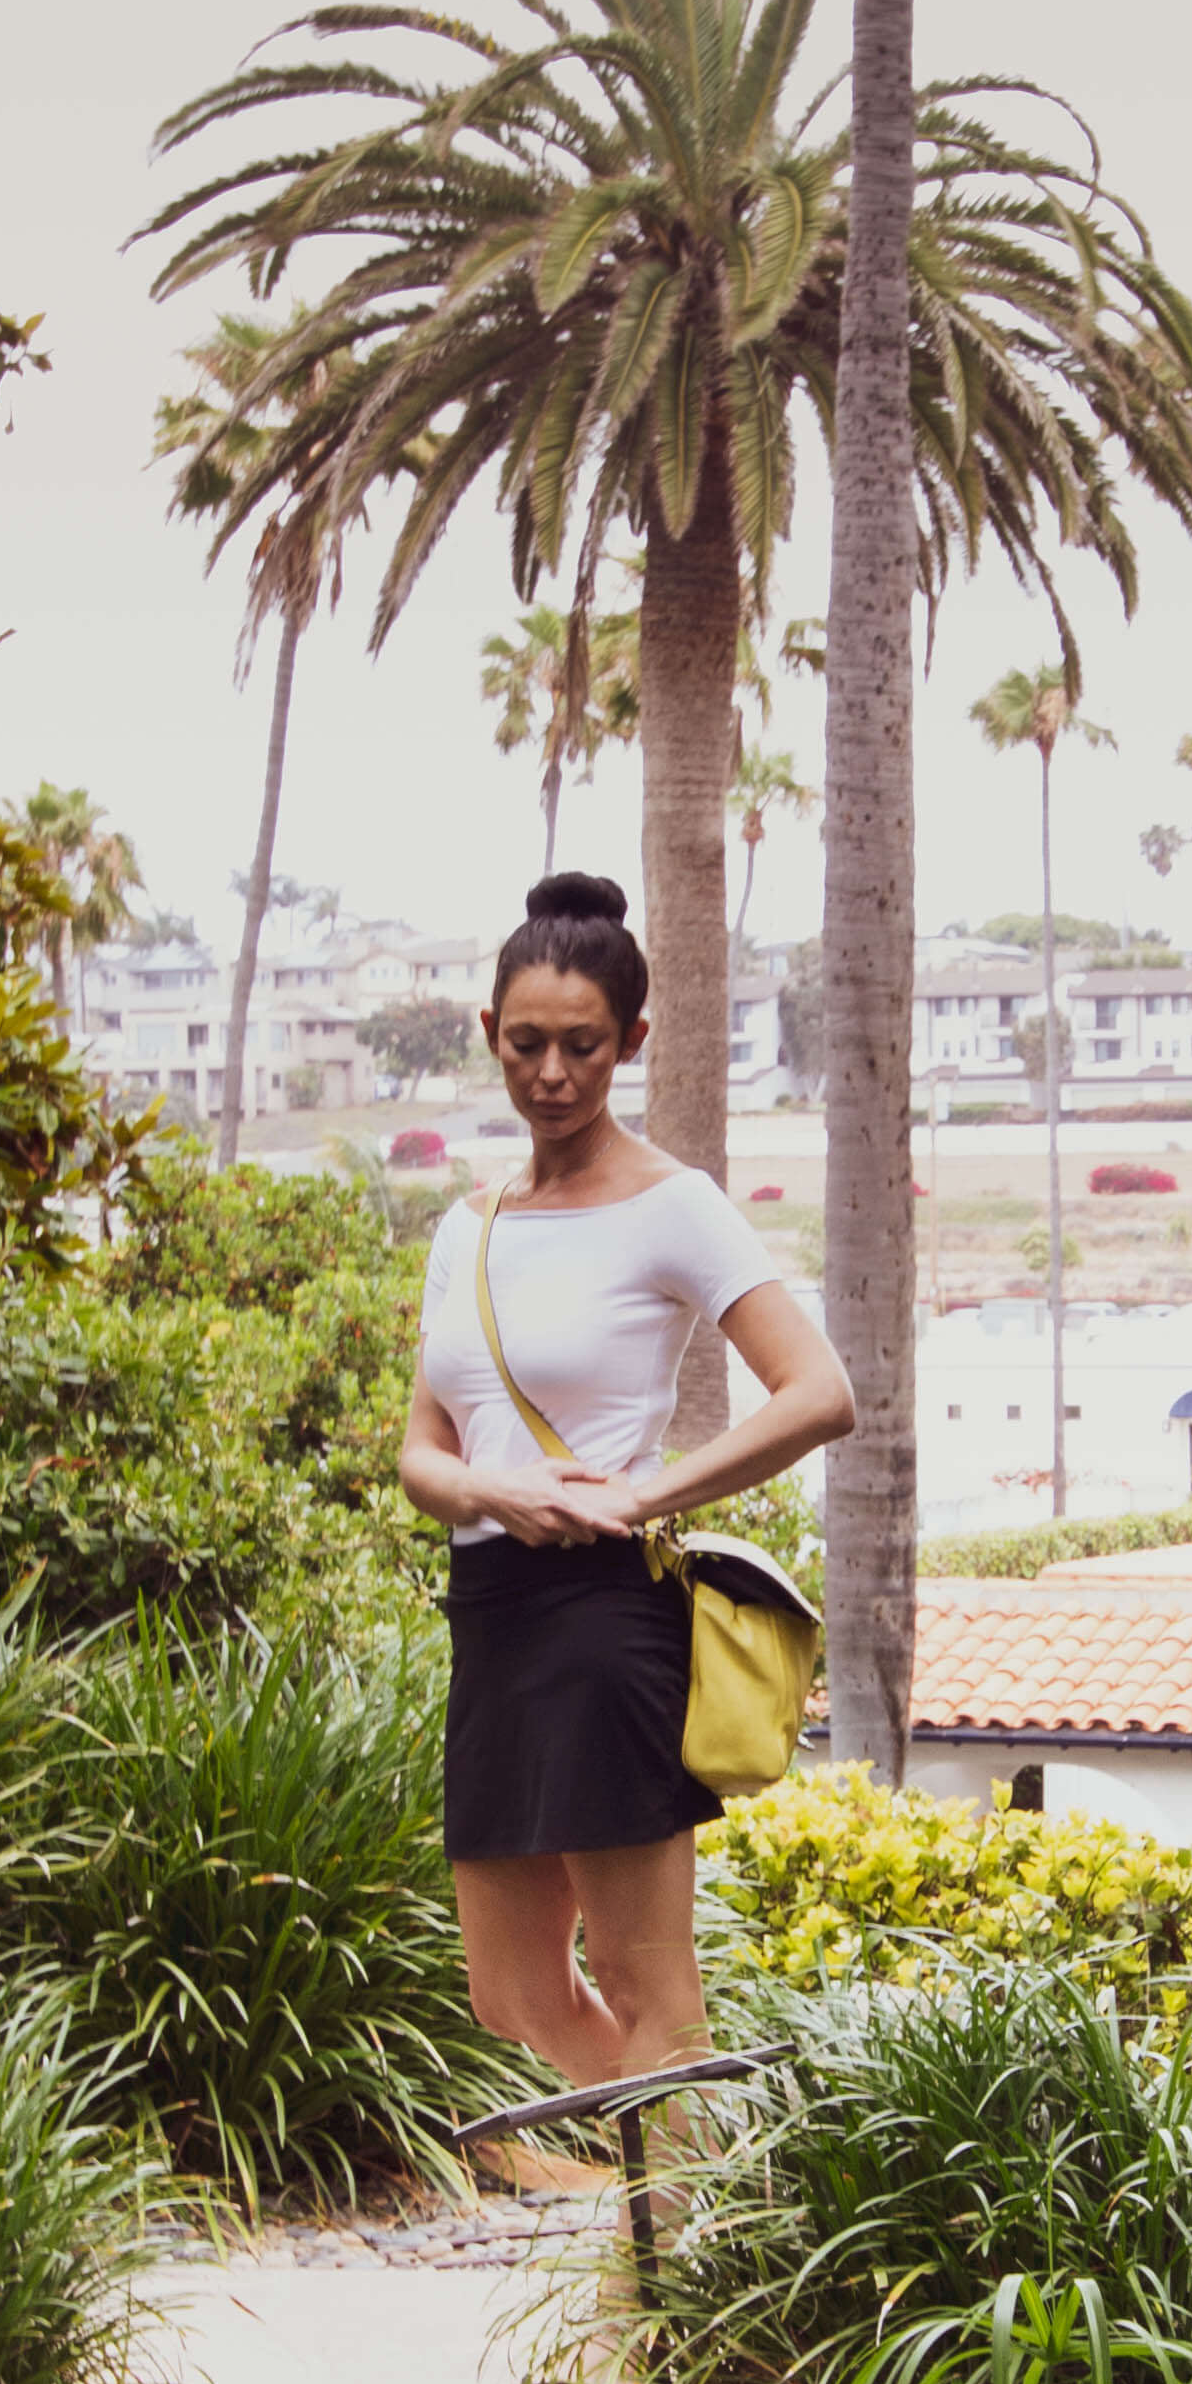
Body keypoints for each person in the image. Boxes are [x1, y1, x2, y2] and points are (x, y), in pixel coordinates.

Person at [401, 868, 853, 2094]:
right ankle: (692, 2203)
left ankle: (662, 2269)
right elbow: (422, 1456)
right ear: (489, 1033)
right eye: (529, 1043)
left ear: (632, 1042)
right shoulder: (469, 1227)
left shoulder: (675, 1206)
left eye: (584, 1047)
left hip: (607, 1617)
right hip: (489, 1622)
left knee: (655, 1990)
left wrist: (640, 1498)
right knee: (514, 1991)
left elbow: (820, 1392)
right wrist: (502, 1492)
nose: (553, 1073)